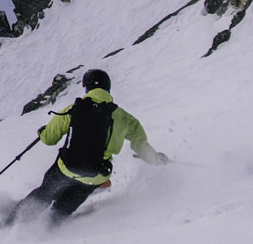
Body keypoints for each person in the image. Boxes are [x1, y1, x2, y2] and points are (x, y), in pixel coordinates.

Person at [18, 68, 166, 221]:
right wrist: (156, 159)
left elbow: (49, 139)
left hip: (67, 168)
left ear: (87, 88)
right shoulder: (124, 118)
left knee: (45, 193)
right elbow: (140, 144)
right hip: (96, 174)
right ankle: (49, 225)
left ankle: (15, 221)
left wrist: (43, 132)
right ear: (108, 88)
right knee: (66, 205)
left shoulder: (74, 109)